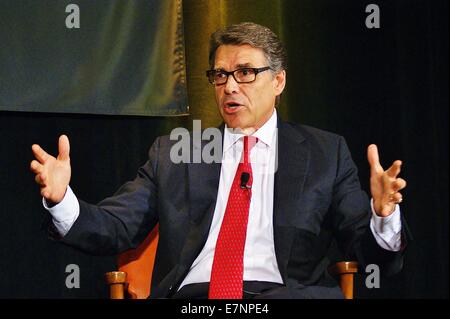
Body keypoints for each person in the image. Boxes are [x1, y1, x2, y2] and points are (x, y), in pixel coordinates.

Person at [30, 22, 407, 299]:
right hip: (197, 299)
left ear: (278, 82)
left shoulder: (325, 153)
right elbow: (117, 226)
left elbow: (365, 247)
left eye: (245, 73)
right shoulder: (176, 153)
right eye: (220, 75)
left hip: (283, 294)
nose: (229, 86)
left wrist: (383, 216)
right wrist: (63, 201)